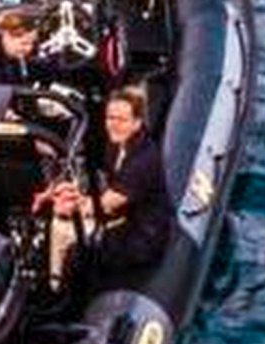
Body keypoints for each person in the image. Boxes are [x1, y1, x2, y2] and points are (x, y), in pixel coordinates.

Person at [39, 82, 170, 279]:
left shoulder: (143, 161)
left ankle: (60, 289)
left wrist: (69, 205)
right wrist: (59, 191)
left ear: (137, 122)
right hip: (122, 218)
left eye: (122, 120)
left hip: (142, 235)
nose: (114, 124)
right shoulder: (115, 145)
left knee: (69, 239)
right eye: (110, 118)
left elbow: (105, 205)